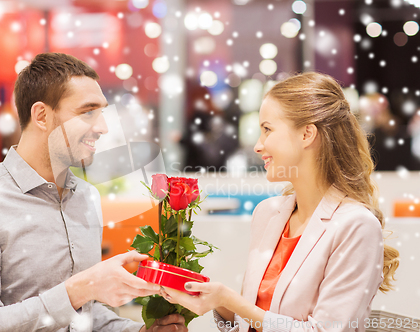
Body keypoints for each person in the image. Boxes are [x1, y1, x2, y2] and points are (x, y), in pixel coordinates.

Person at [0, 53, 187, 332]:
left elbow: (84, 316)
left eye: (101, 112)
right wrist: (80, 289)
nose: (103, 127)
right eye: (87, 112)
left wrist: (138, 331)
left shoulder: (86, 197)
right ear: (41, 116)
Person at [160, 72, 400, 332]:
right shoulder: (268, 214)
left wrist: (232, 301)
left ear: (307, 134)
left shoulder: (356, 226)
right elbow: (259, 318)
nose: (258, 146)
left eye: (267, 130)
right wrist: (215, 302)